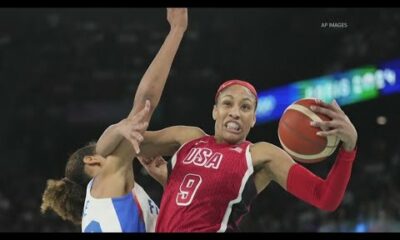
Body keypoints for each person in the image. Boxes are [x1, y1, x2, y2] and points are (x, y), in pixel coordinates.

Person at [136, 79, 358, 232]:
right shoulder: (188, 137)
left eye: (245, 107)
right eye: (227, 103)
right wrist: (171, 180)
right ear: (215, 111)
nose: (235, 112)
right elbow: (133, 141)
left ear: (253, 118)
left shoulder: (260, 154)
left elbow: (325, 198)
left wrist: (348, 148)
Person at [40, 8, 188, 232]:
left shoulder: (105, 201)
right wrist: (176, 29)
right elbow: (145, 102)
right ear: (93, 161)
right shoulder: (106, 183)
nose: (117, 150)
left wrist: (166, 182)